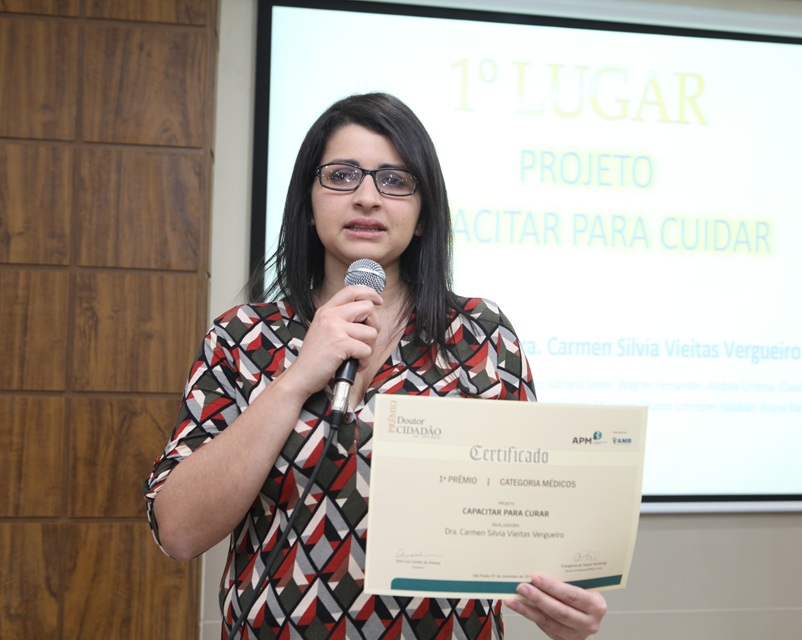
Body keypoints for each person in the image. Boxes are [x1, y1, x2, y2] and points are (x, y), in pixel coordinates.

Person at [143, 92, 607, 639]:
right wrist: (296, 380)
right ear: (308, 202)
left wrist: (564, 601)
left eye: (394, 180)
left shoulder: (481, 336)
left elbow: (523, 518)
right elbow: (179, 531)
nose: (367, 197)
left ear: (423, 212)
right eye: (342, 176)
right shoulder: (243, 337)